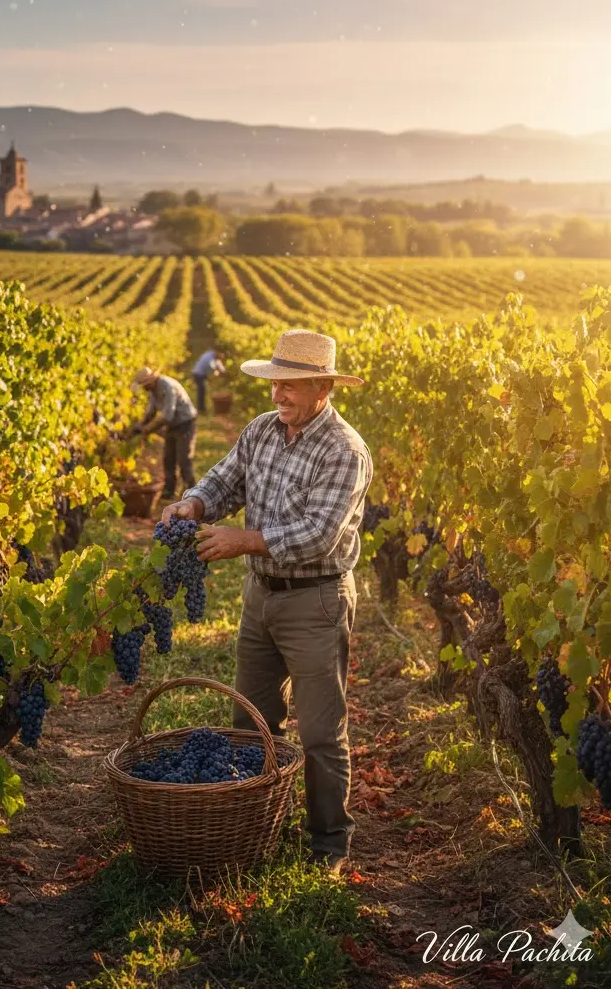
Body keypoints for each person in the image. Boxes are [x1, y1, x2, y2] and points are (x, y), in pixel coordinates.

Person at [160, 329, 372, 876]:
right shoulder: (261, 431)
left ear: (323, 386)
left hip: (316, 602)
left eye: (291, 386)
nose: (278, 395)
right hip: (261, 597)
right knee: (250, 721)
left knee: (322, 734)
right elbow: (223, 480)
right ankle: (255, 828)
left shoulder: (345, 450)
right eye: (275, 383)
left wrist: (245, 540)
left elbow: (319, 534)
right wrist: (193, 503)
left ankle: (327, 845)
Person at [129, 366, 199, 500]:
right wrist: (138, 426)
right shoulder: (152, 390)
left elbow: (167, 416)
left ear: (152, 380)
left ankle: (193, 493)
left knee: (184, 459)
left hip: (186, 423)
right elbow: (151, 412)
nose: (144, 388)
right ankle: (169, 491)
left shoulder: (167, 386)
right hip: (173, 425)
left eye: (145, 384)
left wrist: (147, 429)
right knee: (168, 458)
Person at [191, 348, 226, 414]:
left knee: (203, 391)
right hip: (198, 374)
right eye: (221, 355)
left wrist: (224, 371)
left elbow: (219, 364)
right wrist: (218, 371)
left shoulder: (213, 355)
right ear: (217, 352)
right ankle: (201, 409)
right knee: (201, 391)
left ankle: (202, 408)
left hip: (202, 374)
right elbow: (213, 366)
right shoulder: (209, 357)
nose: (221, 358)